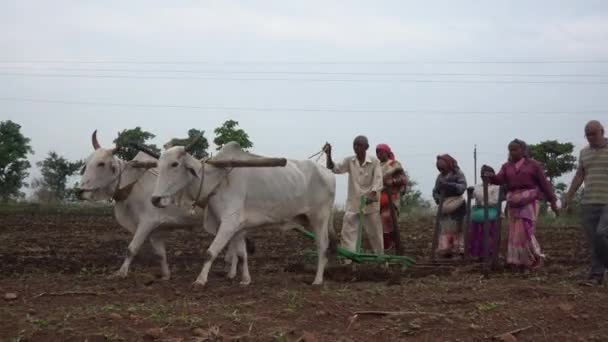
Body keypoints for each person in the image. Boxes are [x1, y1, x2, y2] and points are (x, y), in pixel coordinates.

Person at [482, 139, 558, 271]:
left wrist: (553, 202)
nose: (512, 152)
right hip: (513, 202)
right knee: (514, 233)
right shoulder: (507, 166)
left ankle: (534, 259)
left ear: (523, 150)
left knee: (525, 232)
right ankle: (516, 261)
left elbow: (544, 184)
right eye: (510, 150)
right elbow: (500, 179)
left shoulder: (533, 165)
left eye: (515, 149)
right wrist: (491, 177)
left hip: (529, 201)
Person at [563, 120, 608, 286]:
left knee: (601, 233)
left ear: (602, 131)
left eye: (593, 134)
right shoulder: (584, 153)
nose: (590, 138)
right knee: (595, 242)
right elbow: (579, 175)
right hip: (589, 201)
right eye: (587, 135)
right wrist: (568, 196)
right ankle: (596, 276)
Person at [324, 136, 384, 255]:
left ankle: (380, 260)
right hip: (354, 204)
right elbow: (334, 168)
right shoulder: (350, 161)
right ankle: (348, 261)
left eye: (359, 145)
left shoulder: (374, 162)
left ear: (366, 147)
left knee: (375, 235)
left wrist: (372, 195)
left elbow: (378, 181)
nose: (356, 147)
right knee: (348, 234)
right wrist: (328, 154)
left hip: (370, 205)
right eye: (354, 145)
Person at [433, 154, 467, 258]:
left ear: (448, 164)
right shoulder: (440, 177)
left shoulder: (458, 174)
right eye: (439, 167)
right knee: (444, 229)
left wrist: (449, 186)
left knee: (457, 228)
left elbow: (462, 187)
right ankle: (445, 249)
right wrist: (438, 198)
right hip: (444, 205)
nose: (441, 169)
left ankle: (458, 249)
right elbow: (435, 191)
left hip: (457, 204)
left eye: (442, 167)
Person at [376, 144, 408, 251]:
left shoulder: (394, 164)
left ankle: (395, 244)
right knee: (378, 223)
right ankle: (386, 245)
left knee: (387, 218)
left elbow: (403, 179)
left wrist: (392, 182)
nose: (379, 155)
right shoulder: (377, 166)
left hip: (391, 197)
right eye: (377, 153)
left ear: (387, 153)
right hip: (378, 197)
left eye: (381, 152)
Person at [468, 183, 501, 260]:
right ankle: (476, 253)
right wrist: (471, 192)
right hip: (479, 211)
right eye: (483, 175)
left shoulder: (496, 187)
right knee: (476, 233)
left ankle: (490, 252)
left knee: (489, 233)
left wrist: (482, 202)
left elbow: (495, 200)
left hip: (491, 210)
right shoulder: (478, 186)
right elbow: (473, 196)